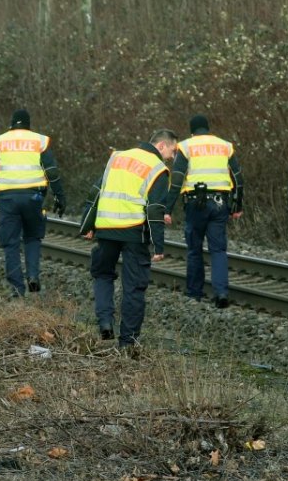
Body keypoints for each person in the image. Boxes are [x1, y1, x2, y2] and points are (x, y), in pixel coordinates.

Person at [79, 129, 177, 348]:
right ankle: (128, 342)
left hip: (106, 228)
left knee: (103, 274)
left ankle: (105, 322)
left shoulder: (117, 157)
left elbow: (97, 191)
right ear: (161, 146)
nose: (172, 157)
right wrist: (158, 245)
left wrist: (88, 224)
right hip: (134, 232)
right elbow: (154, 209)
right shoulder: (158, 169)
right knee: (134, 286)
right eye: (172, 150)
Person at [0, 108, 67, 296]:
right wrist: (60, 197)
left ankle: (16, 287)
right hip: (33, 197)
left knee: (10, 242)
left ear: (11, 124)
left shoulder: (0, 142)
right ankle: (33, 276)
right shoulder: (39, 141)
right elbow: (51, 171)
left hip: (8, 199)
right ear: (29, 125)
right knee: (32, 237)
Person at [163, 114, 244, 308]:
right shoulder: (225, 146)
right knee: (218, 249)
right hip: (220, 203)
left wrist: (168, 209)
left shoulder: (186, 146)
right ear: (208, 129)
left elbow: (177, 180)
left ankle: (194, 293)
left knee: (194, 249)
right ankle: (221, 293)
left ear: (192, 131)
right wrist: (237, 206)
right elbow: (238, 178)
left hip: (195, 204)